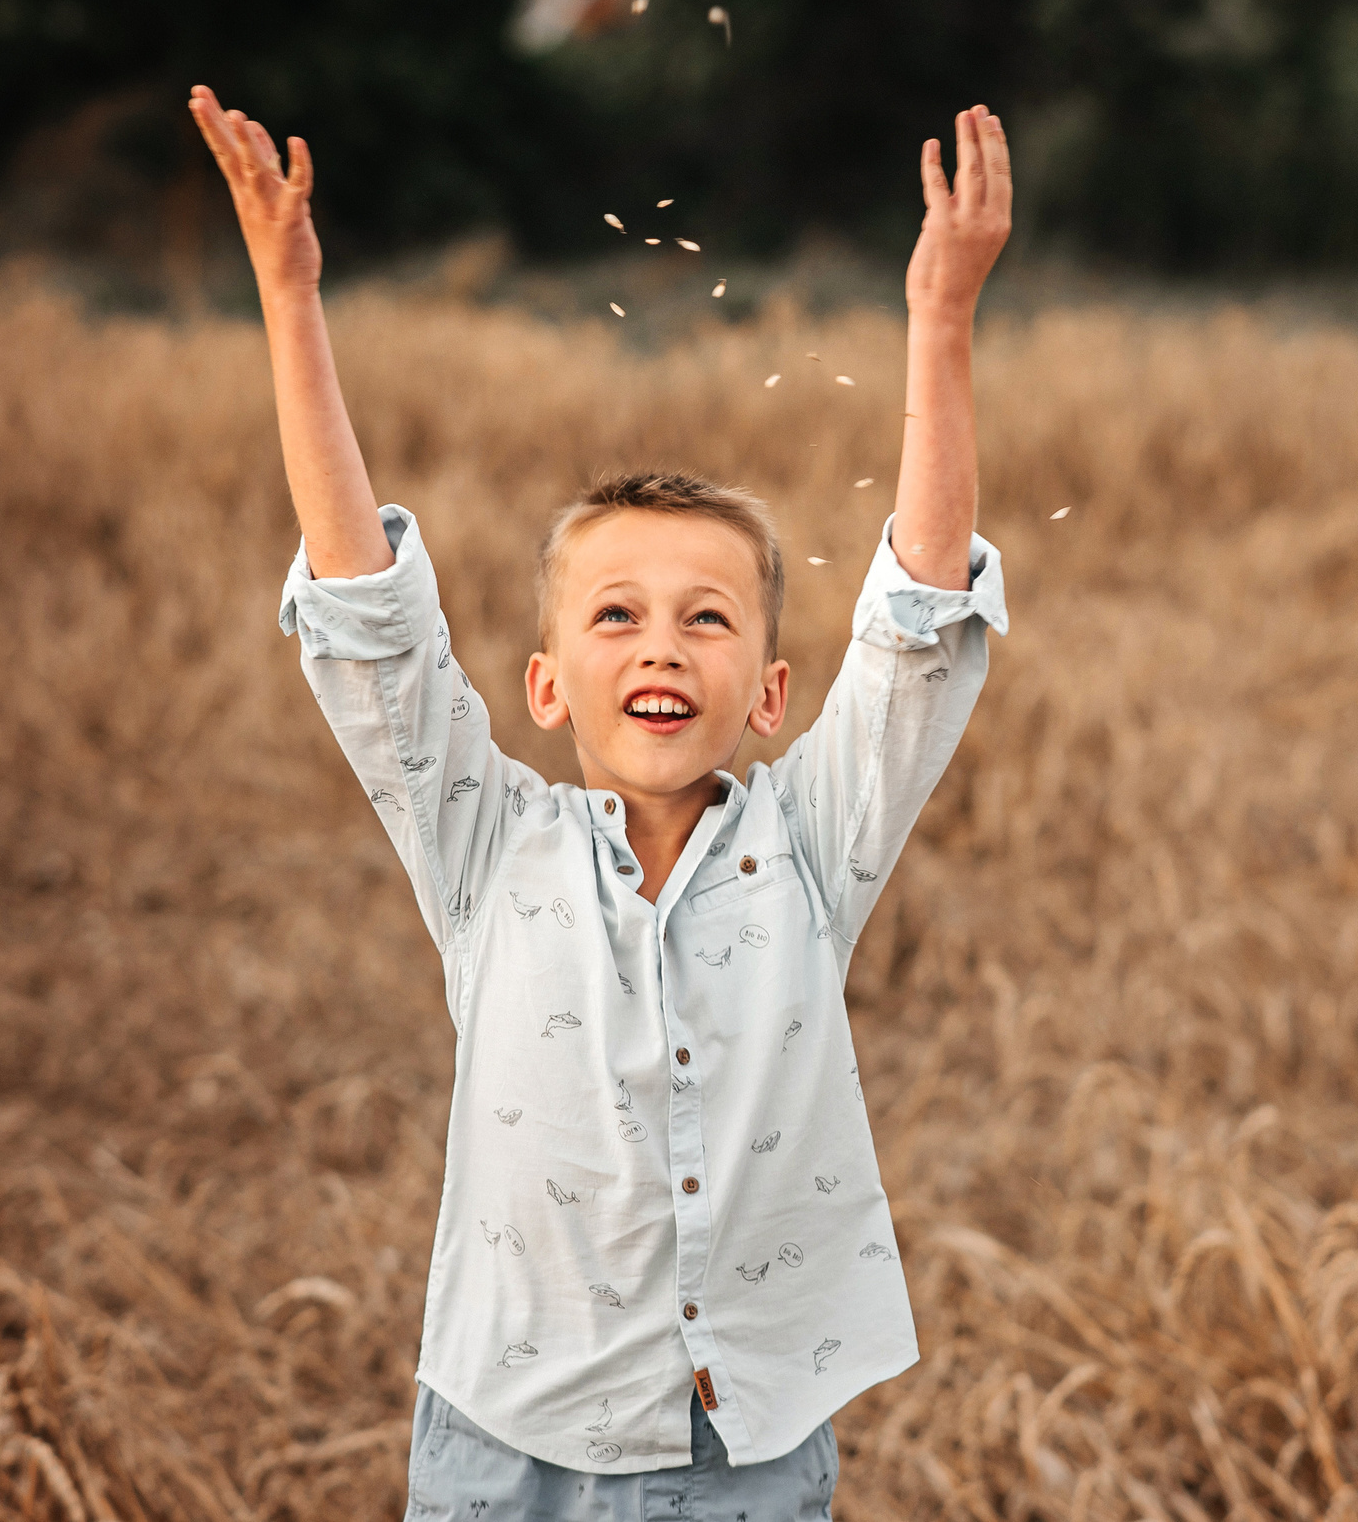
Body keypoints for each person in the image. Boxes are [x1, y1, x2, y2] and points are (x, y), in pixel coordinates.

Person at [187, 84, 1013, 1519]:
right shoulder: (486, 843)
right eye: (616, 614)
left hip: (747, 1448)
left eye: (708, 618)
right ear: (548, 684)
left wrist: (939, 322)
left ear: (771, 692)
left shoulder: (811, 846)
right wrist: (288, 295)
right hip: (506, 1442)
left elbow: (919, 624)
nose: (660, 646)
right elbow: (371, 618)